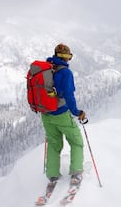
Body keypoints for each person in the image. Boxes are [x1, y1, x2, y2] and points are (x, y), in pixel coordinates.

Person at [42, 43, 86, 186]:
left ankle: (52, 174)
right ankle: (76, 173)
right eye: (69, 56)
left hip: (46, 114)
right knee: (76, 141)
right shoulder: (65, 73)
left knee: (54, 145)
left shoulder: (46, 68)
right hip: (61, 114)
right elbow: (68, 94)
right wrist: (76, 112)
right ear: (66, 57)